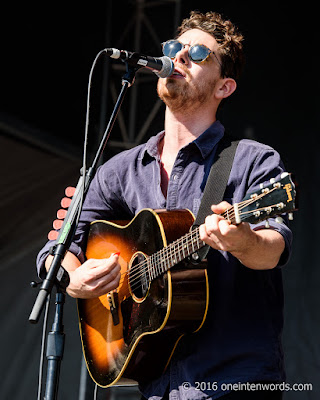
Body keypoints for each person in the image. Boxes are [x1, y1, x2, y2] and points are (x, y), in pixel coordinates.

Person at [37, 11, 292, 400]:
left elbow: (273, 248)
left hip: (236, 382)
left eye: (198, 54)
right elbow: (60, 247)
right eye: (174, 49)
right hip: (157, 385)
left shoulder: (252, 161)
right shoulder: (119, 171)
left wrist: (242, 241)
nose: (180, 57)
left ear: (224, 87)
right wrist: (74, 279)